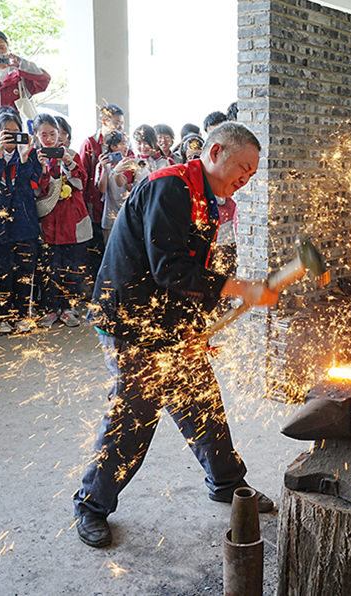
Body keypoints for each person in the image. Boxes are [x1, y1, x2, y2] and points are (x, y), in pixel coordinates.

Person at [74, 122, 278, 548]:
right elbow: (169, 268)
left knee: (202, 402)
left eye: (252, 173)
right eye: (243, 167)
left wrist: (193, 325)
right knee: (134, 417)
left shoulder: (208, 198)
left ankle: (227, 483)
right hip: (131, 320)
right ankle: (91, 505)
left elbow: (192, 272)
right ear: (216, 151)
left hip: (169, 320)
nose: (246, 178)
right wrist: (242, 288)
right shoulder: (170, 187)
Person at [0, 110, 43, 334]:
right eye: (7, 132)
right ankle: (1, 318)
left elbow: (32, 183)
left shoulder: (29, 152)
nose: (13, 137)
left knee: (25, 272)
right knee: (1, 272)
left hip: (24, 223)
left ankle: (24, 316)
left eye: (17, 132)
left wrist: (24, 157)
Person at [33, 114, 91, 328]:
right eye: (44, 134)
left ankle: (68, 308)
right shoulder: (33, 158)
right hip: (49, 223)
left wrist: (68, 162)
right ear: (36, 135)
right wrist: (41, 168)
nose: (49, 139)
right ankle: (50, 308)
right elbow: (36, 190)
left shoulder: (72, 155)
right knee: (50, 269)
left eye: (53, 133)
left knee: (72, 268)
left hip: (74, 222)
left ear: (60, 134)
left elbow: (81, 183)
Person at [0, 29, 51, 136]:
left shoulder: (20, 74)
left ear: (8, 48)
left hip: (19, 131)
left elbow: (44, 80)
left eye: (2, 47)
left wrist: (23, 65)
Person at [79, 104, 127, 291]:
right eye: (116, 122)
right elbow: (83, 175)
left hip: (117, 206)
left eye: (121, 123)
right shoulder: (90, 144)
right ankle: (97, 289)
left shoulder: (123, 144)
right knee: (96, 247)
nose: (119, 127)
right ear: (104, 121)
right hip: (95, 205)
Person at [97, 131, 135, 244]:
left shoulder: (130, 163)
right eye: (123, 143)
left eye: (127, 143)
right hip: (110, 216)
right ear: (113, 147)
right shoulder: (102, 165)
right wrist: (104, 168)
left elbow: (130, 187)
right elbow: (102, 189)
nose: (126, 146)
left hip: (128, 216)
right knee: (110, 250)